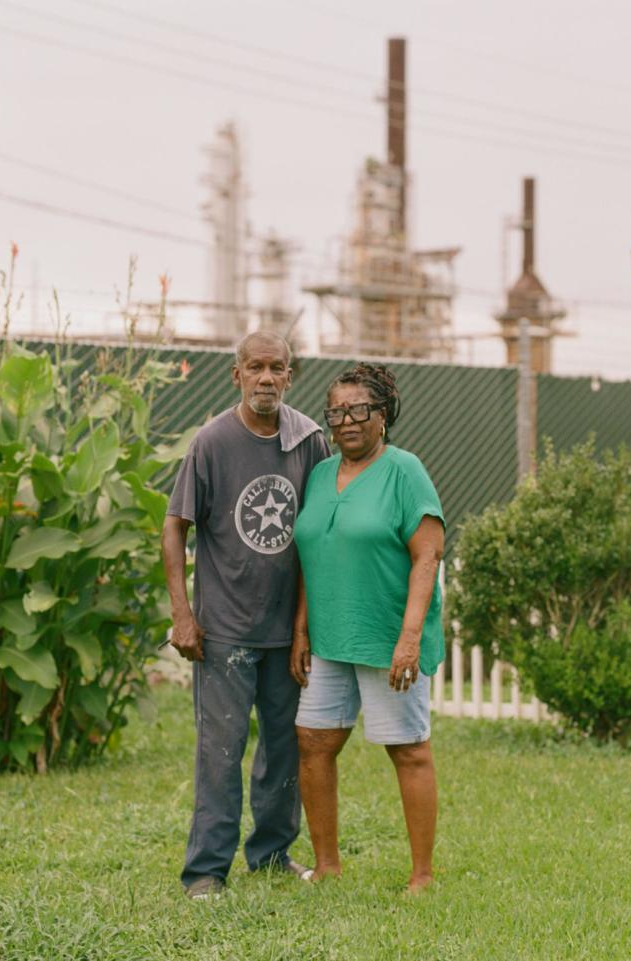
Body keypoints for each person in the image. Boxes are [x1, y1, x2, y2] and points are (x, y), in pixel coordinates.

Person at [162, 330, 331, 901]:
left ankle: (272, 853)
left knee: (284, 747)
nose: (266, 378)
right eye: (254, 367)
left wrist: (305, 627)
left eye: (276, 368)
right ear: (235, 375)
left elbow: (317, 538)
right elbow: (174, 526)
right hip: (224, 633)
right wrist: (182, 614)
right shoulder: (212, 442)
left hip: (285, 634)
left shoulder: (309, 441)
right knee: (221, 750)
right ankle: (206, 871)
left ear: (290, 376)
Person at [290, 363, 445, 894]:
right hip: (329, 640)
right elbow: (313, 554)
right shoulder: (318, 474)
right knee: (313, 742)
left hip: (386, 638)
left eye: (360, 410)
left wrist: (408, 639)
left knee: (407, 748)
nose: (347, 420)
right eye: (337, 411)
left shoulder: (405, 470)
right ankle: (327, 864)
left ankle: (422, 875)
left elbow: (428, 556)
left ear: (383, 415)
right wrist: (302, 630)